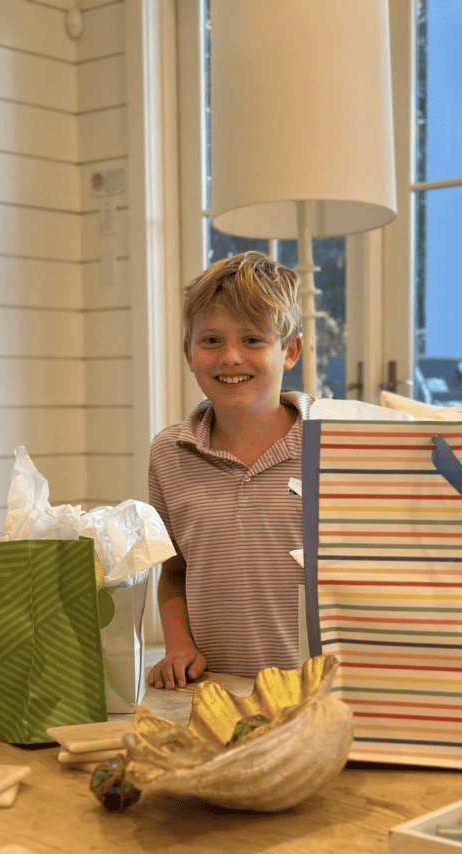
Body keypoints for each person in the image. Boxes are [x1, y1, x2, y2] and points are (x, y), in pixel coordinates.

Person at [147, 251, 312, 689]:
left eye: (253, 340)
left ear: (290, 350)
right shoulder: (168, 454)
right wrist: (178, 645)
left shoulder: (332, 446)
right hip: (212, 689)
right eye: (211, 341)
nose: (231, 357)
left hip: (311, 689)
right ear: (188, 352)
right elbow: (174, 570)